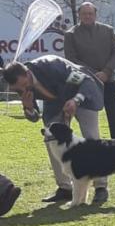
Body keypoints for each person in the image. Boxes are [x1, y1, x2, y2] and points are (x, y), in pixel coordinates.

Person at [2, 56, 108, 203]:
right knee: (50, 139)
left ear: (27, 73)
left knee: (92, 139)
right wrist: (28, 108)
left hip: (82, 94)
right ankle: (64, 188)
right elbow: (34, 118)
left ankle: (100, 187)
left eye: (25, 84)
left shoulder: (52, 66)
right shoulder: (21, 85)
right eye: (19, 89)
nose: (23, 89)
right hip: (54, 103)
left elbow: (85, 81)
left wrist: (75, 100)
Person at [63, 2, 115, 138]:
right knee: (85, 119)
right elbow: (71, 58)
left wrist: (106, 71)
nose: (87, 16)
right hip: (82, 83)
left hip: (107, 80)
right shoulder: (70, 34)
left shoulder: (107, 30)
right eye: (84, 14)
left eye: (90, 13)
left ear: (95, 15)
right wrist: (92, 75)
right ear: (79, 15)